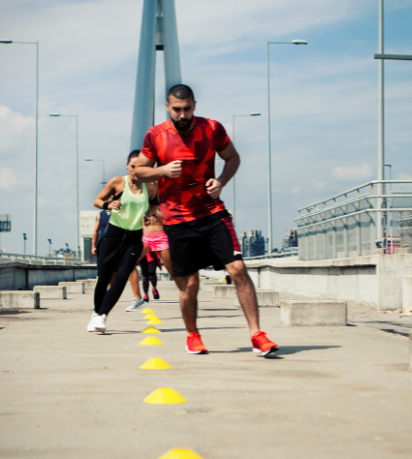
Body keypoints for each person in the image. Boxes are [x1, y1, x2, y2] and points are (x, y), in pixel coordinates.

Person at [134, 83, 278, 357]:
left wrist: (221, 181)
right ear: (167, 107)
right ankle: (193, 335)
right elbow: (139, 172)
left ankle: (257, 335)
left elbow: (232, 157)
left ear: (195, 106)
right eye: (177, 109)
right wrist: (162, 170)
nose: (182, 115)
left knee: (238, 269)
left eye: (187, 109)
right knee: (190, 284)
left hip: (212, 213)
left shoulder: (211, 128)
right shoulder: (156, 135)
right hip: (177, 220)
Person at [88, 150, 157, 333]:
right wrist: (108, 205)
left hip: (134, 238)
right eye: (133, 166)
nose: (136, 170)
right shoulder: (118, 182)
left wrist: (149, 215)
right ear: (127, 165)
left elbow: (155, 203)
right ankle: (96, 312)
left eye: (140, 167)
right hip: (113, 236)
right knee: (103, 278)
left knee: (124, 273)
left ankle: (102, 315)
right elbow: (97, 201)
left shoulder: (149, 188)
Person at [138, 205, 174, 302]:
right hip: (144, 243)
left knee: (151, 271)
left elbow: (166, 220)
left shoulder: (159, 210)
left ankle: (154, 288)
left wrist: (155, 212)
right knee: (145, 274)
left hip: (156, 244)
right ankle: (145, 295)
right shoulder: (141, 211)